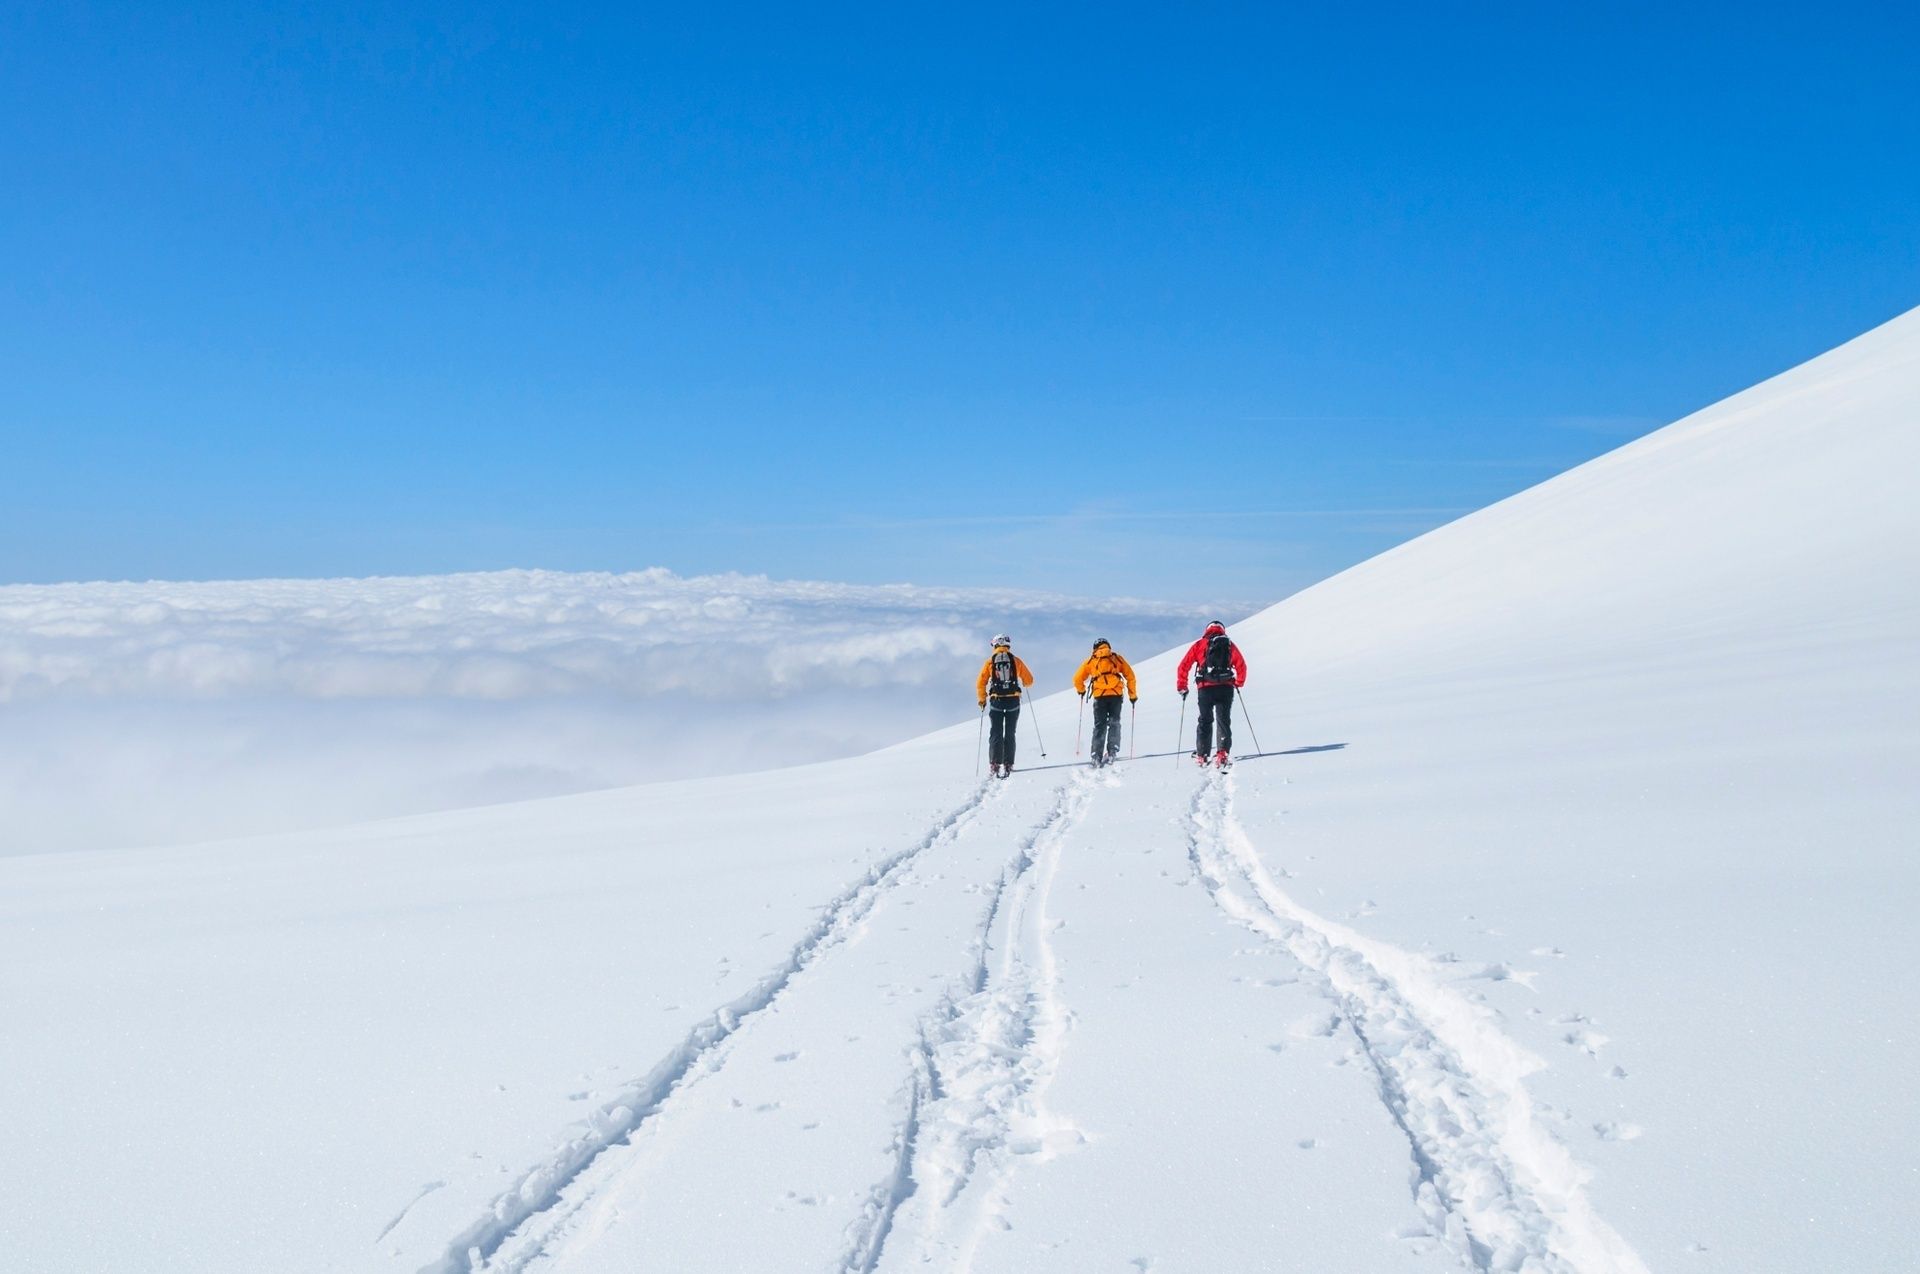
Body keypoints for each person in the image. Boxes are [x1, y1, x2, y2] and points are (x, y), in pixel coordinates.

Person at [1175, 620, 1246, 767]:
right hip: (1226, 687)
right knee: (1223, 720)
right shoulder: (1229, 644)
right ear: (1222, 630)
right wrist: (1238, 682)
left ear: (1207, 630)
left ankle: (1202, 754)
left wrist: (1182, 686)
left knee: (1205, 720)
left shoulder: (1200, 644)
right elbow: (1241, 665)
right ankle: (1222, 753)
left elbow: (1184, 665)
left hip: (1205, 688)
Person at [975, 634, 1035, 778]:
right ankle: (1009, 764)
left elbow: (980, 683)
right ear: (1008, 645)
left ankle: (995, 764)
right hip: (1013, 701)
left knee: (995, 732)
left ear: (994, 645)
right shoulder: (1016, 660)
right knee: (1010, 733)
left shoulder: (990, 662)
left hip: (996, 701)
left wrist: (982, 700)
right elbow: (1029, 681)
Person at [1073, 638, 1138, 767]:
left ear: (1095, 648)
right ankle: (1112, 751)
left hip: (1099, 696)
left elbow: (1077, 678)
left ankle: (1096, 755)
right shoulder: (1116, 658)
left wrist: (1081, 690)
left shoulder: (1091, 660)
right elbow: (1130, 676)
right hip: (1116, 695)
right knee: (1114, 723)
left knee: (1099, 725)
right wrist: (1132, 695)